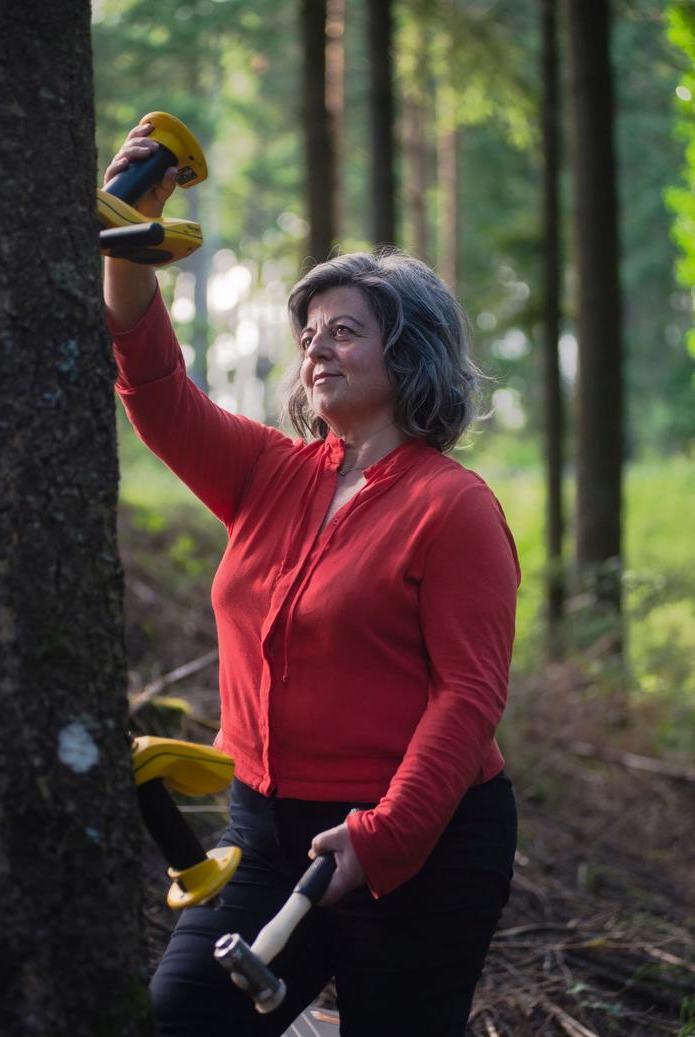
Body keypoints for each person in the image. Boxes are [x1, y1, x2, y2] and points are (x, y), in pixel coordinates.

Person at [105, 122, 521, 1037]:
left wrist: (382, 840)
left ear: (408, 353)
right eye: (309, 335)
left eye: (346, 331)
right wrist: (132, 229)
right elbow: (154, 380)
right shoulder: (269, 472)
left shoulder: (454, 508)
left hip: (427, 844)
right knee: (185, 1018)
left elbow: (469, 694)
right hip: (266, 835)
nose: (316, 348)